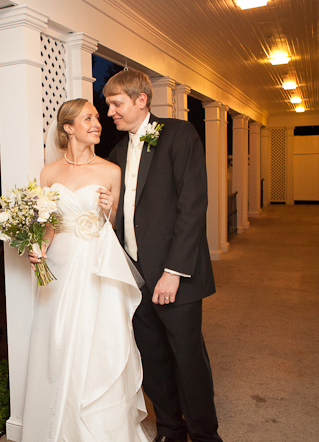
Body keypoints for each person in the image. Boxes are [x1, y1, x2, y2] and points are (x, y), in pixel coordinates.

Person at [23, 98, 151, 442]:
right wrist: (39, 248)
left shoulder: (111, 171)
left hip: (96, 263)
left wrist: (110, 210)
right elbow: (49, 225)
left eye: (97, 117)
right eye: (88, 119)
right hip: (60, 267)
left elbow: (115, 226)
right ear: (68, 128)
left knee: (98, 340)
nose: (97, 124)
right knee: (59, 339)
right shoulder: (49, 173)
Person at [105, 69, 222, 442]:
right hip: (135, 277)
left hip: (175, 274)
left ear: (141, 99)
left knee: (188, 358)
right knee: (153, 359)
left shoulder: (179, 134)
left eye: (116, 104)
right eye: (108, 105)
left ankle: (204, 434)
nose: (110, 112)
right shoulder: (116, 153)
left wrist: (173, 272)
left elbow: (192, 206)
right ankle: (171, 428)